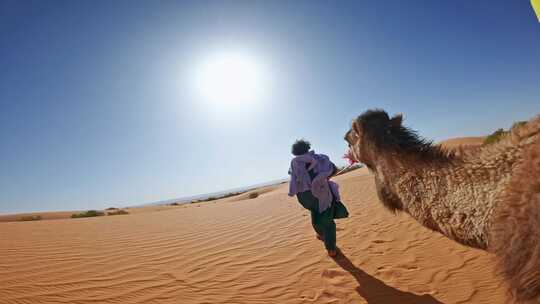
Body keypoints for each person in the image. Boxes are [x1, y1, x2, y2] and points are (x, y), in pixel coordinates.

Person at [288, 139, 341, 257]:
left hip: (303, 196)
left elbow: (293, 177)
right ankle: (331, 248)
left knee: (314, 211)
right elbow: (333, 169)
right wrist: (323, 176)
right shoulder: (320, 158)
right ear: (308, 148)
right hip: (321, 192)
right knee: (326, 217)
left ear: (294, 152)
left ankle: (320, 234)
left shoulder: (294, 163)